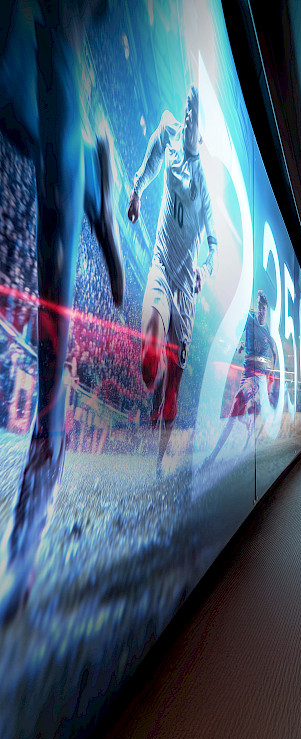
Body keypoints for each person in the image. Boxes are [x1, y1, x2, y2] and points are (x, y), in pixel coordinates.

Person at [0, 0, 126, 625]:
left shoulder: (56, 46)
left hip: (58, 76)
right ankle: (99, 192)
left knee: (57, 248)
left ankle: (30, 525)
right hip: (44, 82)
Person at [127, 86, 217, 476]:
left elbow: (214, 249)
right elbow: (150, 162)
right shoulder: (168, 131)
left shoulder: (204, 187)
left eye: (195, 116)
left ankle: (158, 464)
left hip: (185, 295)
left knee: (172, 397)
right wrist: (136, 191)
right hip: (161, 269)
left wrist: (204, 269)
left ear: (202, 135)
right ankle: (157, 367)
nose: (189, 119)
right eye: (187, 110)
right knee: (149, 368)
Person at [203, 291, 277, 467]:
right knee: (237, 411)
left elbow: (274, 352)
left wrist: (271, 372)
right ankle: (247, 424)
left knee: (237, 404)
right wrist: (240, 345)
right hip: (246, 374)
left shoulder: (267, 332)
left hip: (257, 378)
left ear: (267, 310)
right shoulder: (249, 319)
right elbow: (238, 335)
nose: (260, 311)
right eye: (258, 306)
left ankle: (212, 457)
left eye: (263, 308)